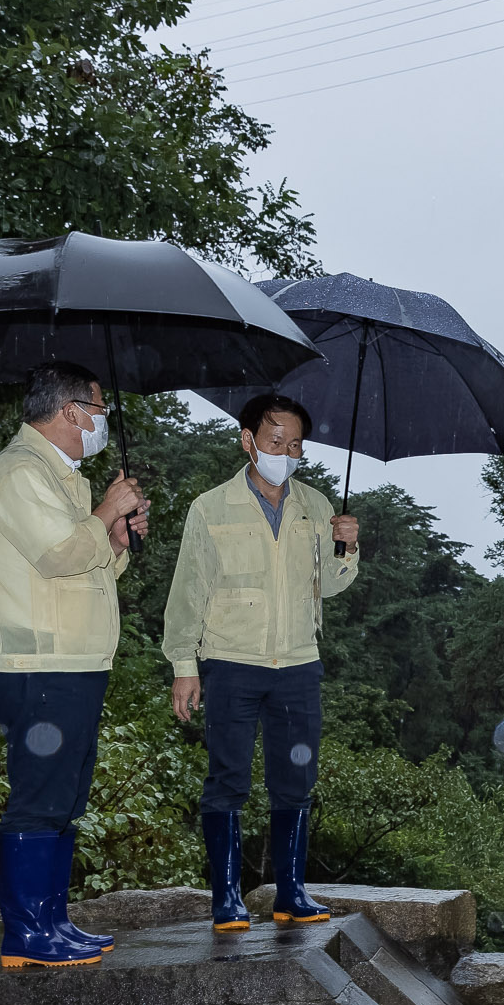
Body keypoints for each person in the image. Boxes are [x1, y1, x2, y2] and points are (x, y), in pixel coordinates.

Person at [0, 362, 149, 969]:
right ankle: (25, 934)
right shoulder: (21, 472)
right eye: (97, 410)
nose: (101, 421)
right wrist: (105, 513)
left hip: (74, 660)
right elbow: (55, 555)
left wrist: (117, 541)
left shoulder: (63, 477)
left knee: (66, 795)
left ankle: (54, 921)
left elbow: (86, 564)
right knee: (39, 796)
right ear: (70, 411)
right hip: (38, 662)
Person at [163, 392, 360, 929]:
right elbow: (188, 591)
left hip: (297, 663)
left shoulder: (316, 507)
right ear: (248, 440)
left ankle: (290, 893)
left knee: (296, 778)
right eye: (276, 440)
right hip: (230, 660)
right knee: (227, 779)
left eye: (296, 443)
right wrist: (184, 664)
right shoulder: (210, 507)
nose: (287, 451)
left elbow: (333, 589)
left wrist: (347, 547)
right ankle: (226, 898)